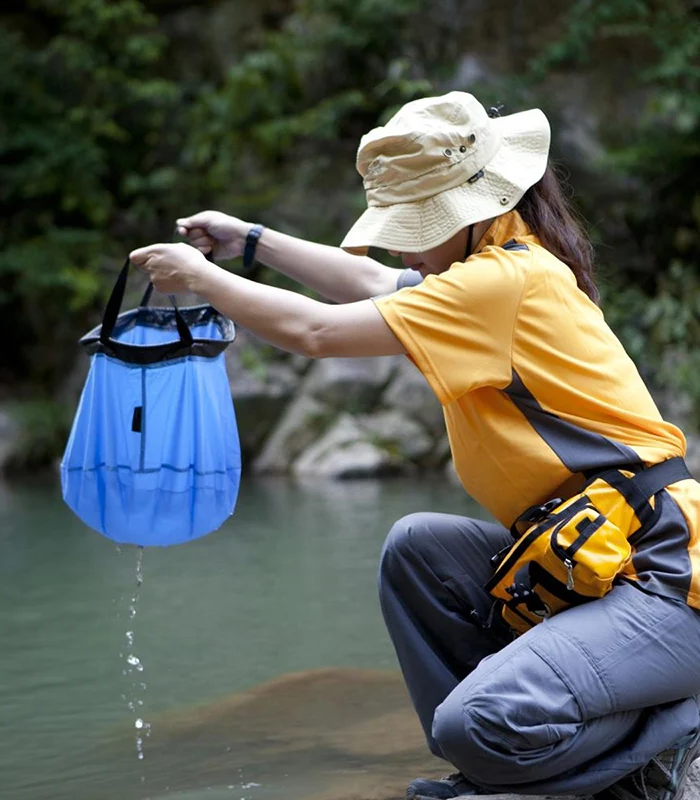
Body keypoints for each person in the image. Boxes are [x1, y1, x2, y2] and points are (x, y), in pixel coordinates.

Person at [129, 91, 700, 800]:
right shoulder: (491, 267)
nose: (399, 242)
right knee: (416, 548)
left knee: (479, 724)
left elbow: (317, 333)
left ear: (467, 211)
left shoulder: (503, 282)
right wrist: (250, 242)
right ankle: (510, 765)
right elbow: (373, 282)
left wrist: (204, 279)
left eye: (413, 224)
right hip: (597, 570)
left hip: (667, 581)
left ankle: (664, 738)